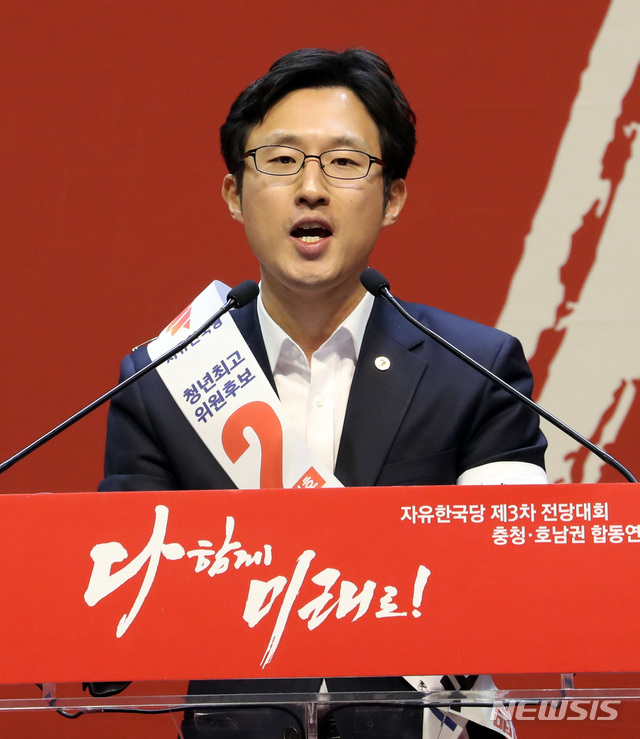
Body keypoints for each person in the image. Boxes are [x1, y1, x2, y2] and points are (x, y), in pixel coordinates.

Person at [99, 48, 547, 738]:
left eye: (344, 162)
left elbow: (515, 585)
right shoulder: (166, 378)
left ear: (392, 198)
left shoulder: (476, 369)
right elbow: (116, 610)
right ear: (234, 194)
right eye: (281, 160)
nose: (311, 188)